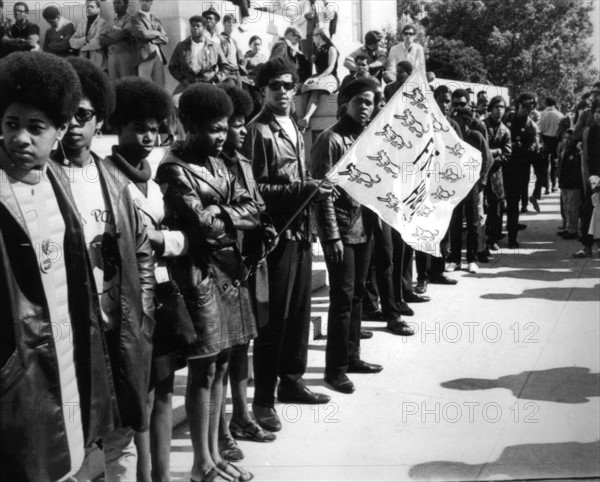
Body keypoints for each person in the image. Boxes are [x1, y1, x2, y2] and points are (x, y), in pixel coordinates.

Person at [0, 51, 119, 482]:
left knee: (71, 454)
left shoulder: (57, 180)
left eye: (36, 128)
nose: (20, 139)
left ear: (61, 129)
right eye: (12, 124)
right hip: (19, 361)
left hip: (69, 348)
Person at [56, 56, 156, 481]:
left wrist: (144, 314)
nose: (74, 126)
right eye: (65, 117)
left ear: (100, 120)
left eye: (84, 116)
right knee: (72, 446)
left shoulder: (114, 181)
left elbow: (143, 254)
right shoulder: (40, 181)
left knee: (121, 440)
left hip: (121, 329)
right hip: (70, 337)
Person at [157, 83, 259, 482]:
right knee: (203, 369)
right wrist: (229, 215)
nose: (222, 136)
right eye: (214, 129)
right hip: (197, 277)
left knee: (219, 366)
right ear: (191, 126)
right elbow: (202, 229)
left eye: (225, 128)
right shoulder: (174, 167)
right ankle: (201, 463)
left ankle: (214, 456)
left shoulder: (221, 162)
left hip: (228, 273)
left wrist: (225, 212)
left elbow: (254, 208)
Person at [242, 57, 333, 433]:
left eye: (288, 85)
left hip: (299, 232)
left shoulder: (295, 127)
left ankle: (292, 382)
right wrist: (302, 189)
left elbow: (303, 176)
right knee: (272, 322)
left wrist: (312, 188)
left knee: (298, 313)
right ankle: (263, 400)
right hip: (272, 238)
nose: (282, 91)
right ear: (263, 90)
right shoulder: (256, 131)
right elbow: (253, 191)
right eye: (275, 85)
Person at [103, 76, 185, 482]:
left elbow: (167, 236)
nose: (149, 135)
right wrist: (169, 239)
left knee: (165, 389)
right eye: (139, 126)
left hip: (163, 291)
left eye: (155, 127)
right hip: (131, 301)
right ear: (118, 127)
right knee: (138, 398)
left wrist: (166, 239)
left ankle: (162, 476)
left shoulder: (151, 178)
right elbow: (128, 242)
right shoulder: (105, 177)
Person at [311, 78, 386, 394]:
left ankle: (352, 356)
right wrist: (331, 238)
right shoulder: (330, 140)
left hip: (364, 228)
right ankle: (335, 369)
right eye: (361, 101)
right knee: (341, 302)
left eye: (371, 102)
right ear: (346, 104)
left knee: (356, 297)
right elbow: (321, 193)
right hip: (340, 232)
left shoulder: (367, 138)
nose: (367, 108)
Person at [218, 86, 278, 463]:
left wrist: (265, 222)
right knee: (221, 352)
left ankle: (241, 415)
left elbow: (255, 204)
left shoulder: (242, 160)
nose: (242, 131)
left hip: (248, 262)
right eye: (235, 125)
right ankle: (221, 428)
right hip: (222, 265)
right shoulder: (203, 163)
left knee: (243, 344)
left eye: (243, 124)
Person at [447, 105, 492, 273]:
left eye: (462, 120)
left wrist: (481, 182)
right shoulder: (451, 137)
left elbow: (487, 160)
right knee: (455, 222)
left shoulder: (476, 136)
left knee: (473, 221)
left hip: (472, 184)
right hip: (455, 184)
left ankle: (472, 259)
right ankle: (455, 259)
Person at [503, 93, 539, 248]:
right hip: (502, 165)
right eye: (524, 105)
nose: (526, 109)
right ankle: (494, 235)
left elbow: (531, 149)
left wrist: (514, 147)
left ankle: (512, 237)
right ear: (518, 104)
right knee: (496, 203)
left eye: (530, 106)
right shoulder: (507, 118)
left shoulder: (531, 126)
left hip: (519, 168)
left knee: (513, 203)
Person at [169, 15, 231, 94]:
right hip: (188, 84)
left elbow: (225, 67)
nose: (195, 28)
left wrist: (216, 79)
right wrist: (183, 80)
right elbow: (173, 66)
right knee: (174, 103)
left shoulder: (215, 47)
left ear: (204, 28)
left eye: (198, 26)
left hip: (208, 84)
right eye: (193, 26)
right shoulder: (181, 46)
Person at [572, 98, 600, 258]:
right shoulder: (589, 131)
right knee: (588, 211)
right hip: (593, 179)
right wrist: (591, 179)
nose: (598, 115)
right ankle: (587, 247)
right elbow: (587, 159)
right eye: (596, 111)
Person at [483, 95, 512, 251]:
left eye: (502, 107)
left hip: (496, 175)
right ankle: (480, 239)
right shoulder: (481, 126)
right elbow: (477, 149)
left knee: (497, 208)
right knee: (480, 208)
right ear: (490, 108)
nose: (499, 110)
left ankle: (492, 238)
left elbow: (507, 155)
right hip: (480, 173)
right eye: (496, 107)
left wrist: (493, 155)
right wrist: (496, 151)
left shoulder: (505, 131)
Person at [298, 28, 339, 131]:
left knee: (316, 90)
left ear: (319, 37)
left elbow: (331, 67)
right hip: (319, 76)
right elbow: (318, 68)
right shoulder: (318, 50)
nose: (313, 40)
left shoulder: (331, 49)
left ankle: (307, 117)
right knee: (306, 89)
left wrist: (318, 79)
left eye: (314, 38)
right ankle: (304, 121)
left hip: (330, 77)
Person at [131, 0, 168, 87]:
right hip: (144, 54)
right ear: (139, 2)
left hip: (158, 55)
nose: (144, 3)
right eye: (142, 0)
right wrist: (158, 33)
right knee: (144, 86)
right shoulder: (135, 18)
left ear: (151, 2)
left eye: (147, 1)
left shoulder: (156, 20)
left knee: (160, 87)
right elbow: (143, 33)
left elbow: (165, 39)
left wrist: (152, 38)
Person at [100, 0, 136, 82]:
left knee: (127, 84)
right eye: (114, 3)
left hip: (125, 54)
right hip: (111, 56)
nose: (116, 5)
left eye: (119, 3)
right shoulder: (110, 22)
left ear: (126, 4)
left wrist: (107, 37)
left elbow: (124, 33)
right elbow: (101, 40)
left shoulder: (131, 19)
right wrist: (116, 37)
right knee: (114, 85)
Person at [70, 0, 108, 70]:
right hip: (84, 61)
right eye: (88, 7)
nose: (89, 8)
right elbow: (72, 42)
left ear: (98, 9)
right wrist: (86, 39)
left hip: (98, 62)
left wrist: (81, 45)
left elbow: (97, 43)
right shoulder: (82, 23)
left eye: (92, 7)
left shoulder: (102, 23)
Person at [538, 96, 565, 194]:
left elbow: (540, 128)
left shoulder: (542, 114)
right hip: (556, 140)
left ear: (546, 103)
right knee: (555, 162)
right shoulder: (560, 115)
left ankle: (547, 187)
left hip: (545, 139)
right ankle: (554, 185)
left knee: (545, 163)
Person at [220, 14, 245, 85]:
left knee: (239, 95)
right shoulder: (220, 38)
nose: (231, 24)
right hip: (227, 73)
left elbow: (240, 59)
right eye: (229, 22)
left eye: (233, 22)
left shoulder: (234, 41)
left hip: (237, 72)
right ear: (223, 23)